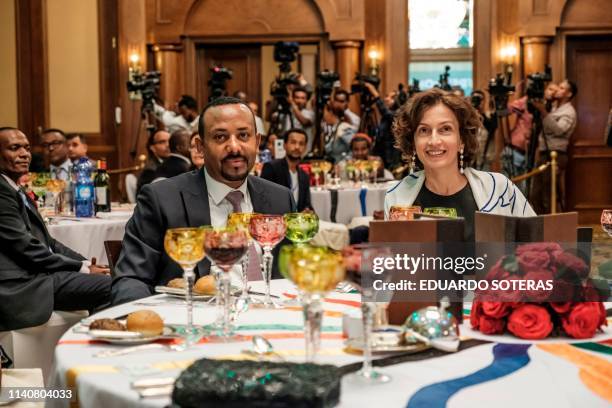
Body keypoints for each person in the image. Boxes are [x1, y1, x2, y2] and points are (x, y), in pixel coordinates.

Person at [111, 96, 295, 305]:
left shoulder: (280, 198)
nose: (234, 147)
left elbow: (294, 275)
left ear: (258, 142)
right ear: (200, 146)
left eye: (244, 135)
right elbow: (131, 279)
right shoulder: (162, 199)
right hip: (194, 322)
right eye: (220, 137)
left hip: (270, 320)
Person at [385, 89, 535, 242]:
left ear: (461, 139)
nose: (434, 141)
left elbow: (537, 246)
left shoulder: (499, 189)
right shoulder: (396, 196)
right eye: (424, 130)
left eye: (445, 129)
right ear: (413, 141)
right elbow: (394, 259)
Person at [0, 127, 111, 331]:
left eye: (26, 148)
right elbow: (26, 247)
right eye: (14, 148)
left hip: (40, 275)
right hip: (23, 285)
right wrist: (82, 269)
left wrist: (85, 263)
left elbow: (49, 242)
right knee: (113, 287)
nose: (24, 154)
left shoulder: (14, 187)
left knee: (113, 281)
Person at [530, 79, 578, 213]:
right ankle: (539, 224)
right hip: (544, 154)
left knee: (548, 195)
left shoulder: (569, 111)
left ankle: (550, 227)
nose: (557, 90)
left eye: (562, 88)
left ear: (569, 94)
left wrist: (543, 112)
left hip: (556, 155)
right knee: (535, 194)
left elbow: (559, 130)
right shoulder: (554, 107)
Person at [260, 128, 312, 212]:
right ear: (284, 145)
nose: (297, 147)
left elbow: (307, 205)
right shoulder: (272, 168)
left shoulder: (304, 175)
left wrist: (308, 211)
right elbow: (263, 201)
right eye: (293, 142)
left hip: (298, 223)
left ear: (305, 148)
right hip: (276, 222)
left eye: (301, 144)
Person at [321, 90, 358, 163]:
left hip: (344, 161)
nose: (338, 104)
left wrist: (338, 125)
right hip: (329, 158)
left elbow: (354, 145)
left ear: (347, 102)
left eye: (341, 101)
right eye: (336, 101)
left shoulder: (353, 119)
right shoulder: (326, 118)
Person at [280, 86, 315, 154]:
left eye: (302, 98)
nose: (299, 101)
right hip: (287, 152)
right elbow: (269, 118)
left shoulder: (310, 113)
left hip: (304, 153)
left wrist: (292, 103)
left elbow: (304, 122)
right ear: (293, 98)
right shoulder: (287, 113)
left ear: (306, 100)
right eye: (297, 97)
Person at [137, 129, 170, 193]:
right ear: (153, 148)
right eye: (162, 142)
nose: (167, 145)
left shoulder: (174, 163)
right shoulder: (150, 171)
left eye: (169, 141)